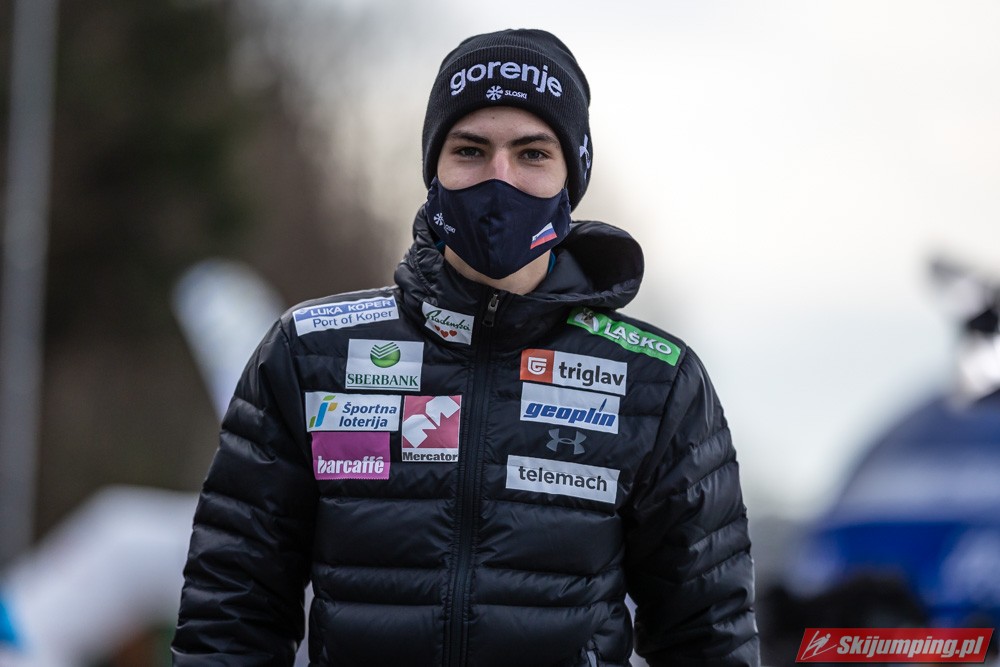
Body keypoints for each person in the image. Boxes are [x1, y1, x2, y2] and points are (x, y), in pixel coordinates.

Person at [172, 28, 759, 667]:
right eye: (471, 150)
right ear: (434, 169)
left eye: (532, 153)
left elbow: (709, 637)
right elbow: (230, 615)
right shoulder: (311, 354)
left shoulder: (657, 381)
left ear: (570, 177)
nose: (499, 178)